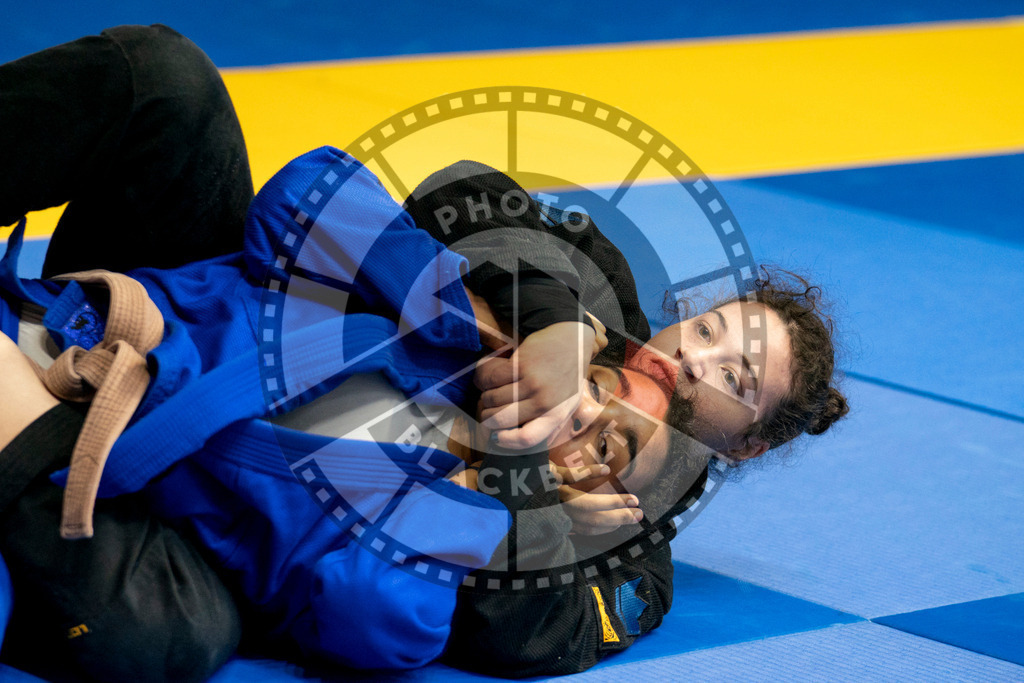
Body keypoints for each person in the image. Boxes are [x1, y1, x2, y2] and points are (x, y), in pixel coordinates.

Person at [0, 23, 847, 680]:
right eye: (708, 331)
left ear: (748, 442)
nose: (695, 361)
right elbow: (459, 191)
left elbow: (516, 637)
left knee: (167, 637)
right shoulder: (581, 295)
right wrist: (546, 320)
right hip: (212, 319)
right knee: (169, 79)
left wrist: (519, 506)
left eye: (735, 378)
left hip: (212, 501)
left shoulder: (621, 540)